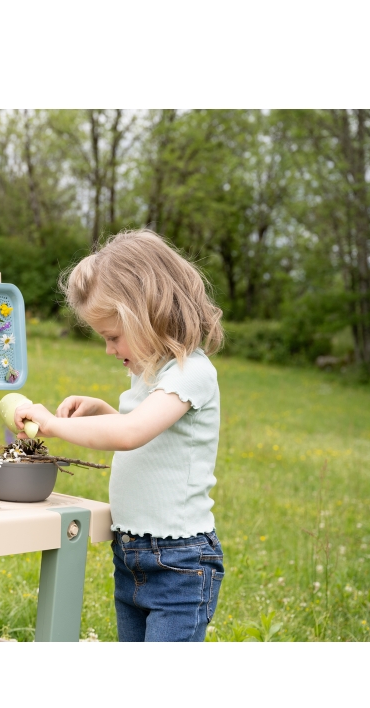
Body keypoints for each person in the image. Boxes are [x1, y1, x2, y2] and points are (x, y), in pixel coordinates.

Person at [14, 229, 225, 642]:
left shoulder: (192, 372)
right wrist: (103, 409)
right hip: (131, 555)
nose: (109, 349)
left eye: (113, 336)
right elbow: (149, 437)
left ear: (147, 315)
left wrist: (54, 425)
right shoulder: (148, 374)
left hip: (179, 563)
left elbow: (131, 433)